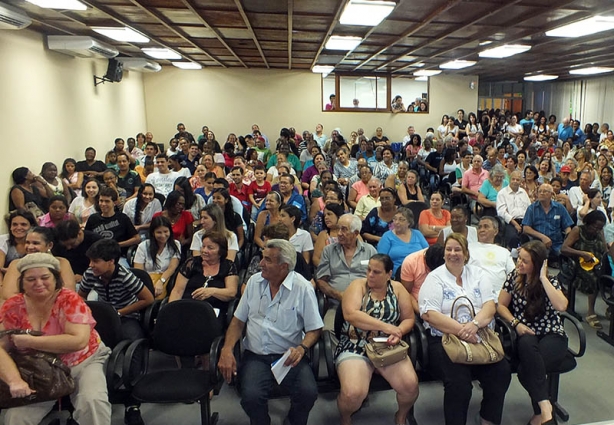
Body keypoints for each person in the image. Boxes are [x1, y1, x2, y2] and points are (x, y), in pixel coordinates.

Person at [218, 239, 323, 425]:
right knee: (250, 397)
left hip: (289, 356)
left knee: (308, 393)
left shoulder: (302, 288)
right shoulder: (253, 282)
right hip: (256, 355)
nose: (260, 264)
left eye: (267, 260)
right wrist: (226, 349)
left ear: (284, 266)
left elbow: (315, 328)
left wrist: (302, 348)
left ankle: (293, 420)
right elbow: (237, 321)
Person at [0, 253, 112, 425]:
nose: (38, 283)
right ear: (22, 282)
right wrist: (15, 380)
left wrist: (29, 341)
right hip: (38, 368)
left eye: (45, 277)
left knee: (92, 402)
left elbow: (78, 341)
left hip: (82, 361)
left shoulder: (69, 299)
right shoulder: (12, 306)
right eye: (30, 279)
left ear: (55, 278)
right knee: (15, 418)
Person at [419, 233, 511, 425]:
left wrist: (474, 325)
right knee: (459, 385)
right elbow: (429, 315)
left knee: (501, 372)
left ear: (466, 254)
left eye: (457, 249)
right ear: (444, 253)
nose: (453, 253)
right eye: (449, 249)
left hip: (480, 336)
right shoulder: (434, 278)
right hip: (444, 340)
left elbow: (490, 306)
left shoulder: (478, 274)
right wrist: (462, 331)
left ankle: (487, 418)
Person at [335, 254, 419, 425]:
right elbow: (351, 315)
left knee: (410, 387)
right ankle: (345, 418)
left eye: (376, 272)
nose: (370, 275)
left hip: (387, 346)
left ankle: (401, 416)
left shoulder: (397, 289)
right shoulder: (357, 286)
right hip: (355, 344)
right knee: (353, 393)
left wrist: (398, 332)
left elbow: (409, 319)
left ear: (389, 274)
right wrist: (387, 327)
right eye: (369, 270)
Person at [78, 238, 154, 425]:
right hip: (103, 317)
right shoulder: (90, 274)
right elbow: (80, 297)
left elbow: (148, 299)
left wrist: (119, 313)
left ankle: (133, 401)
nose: (91, 265)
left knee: (134, 345)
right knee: (85, 344)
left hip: (126, 316)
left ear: (111, 261)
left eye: (95, 261)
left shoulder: (125, 276)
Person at [497, 240, 569, 425]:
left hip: (552, 334)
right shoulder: (514, 276)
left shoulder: (550, 281)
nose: (519, 263)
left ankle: (542, 413)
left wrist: (544, 279)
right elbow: (501, 306)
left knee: (525, 370)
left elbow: (561, 306)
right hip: (525, 332)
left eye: (525, 261)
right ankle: (546, 411)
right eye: (519, 258)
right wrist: (515, 323)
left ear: (537, 264)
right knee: (528, 346)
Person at [170, 231, 238, 324]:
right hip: (187, 308)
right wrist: (171, 310)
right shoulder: (192, 263)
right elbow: (177, 291)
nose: (204, 250)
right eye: (203, 246)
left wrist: (212, 291)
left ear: (221, 251)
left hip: (212, 313)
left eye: (210, 248)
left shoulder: (228, 266)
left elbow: (231, 293)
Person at [1, 226, 76, 303]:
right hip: (23, 309)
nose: (30, 247)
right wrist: (34, 306)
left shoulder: (62, 263)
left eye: (35, 243)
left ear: (49, 245)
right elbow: (8, 295)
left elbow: (69, 293)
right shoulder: (16, 264)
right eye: (27, 242)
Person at [561, 210, 607, 329]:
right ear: (589, 223)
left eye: (600, 228)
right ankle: (590, 312)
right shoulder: (578, 230)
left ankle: (609, 307)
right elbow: (564, 248)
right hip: (578, 263)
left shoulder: (599, 232)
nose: (597, 230)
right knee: (594, 279)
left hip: (597, 262)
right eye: (595, 227)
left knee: (608, 277)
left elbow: (605, 249)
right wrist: (582, 253)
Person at [134, 216, 181, 299]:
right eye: (159, 232)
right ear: (153, 233)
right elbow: (139, 271)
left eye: (166, 231)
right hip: (147, 281)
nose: (163, 235)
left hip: (165, 279)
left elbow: (172, 268)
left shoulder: (176, 244)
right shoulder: (143, 246)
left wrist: (161, 281)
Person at [523, 184, 573, 258]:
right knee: (539, 255)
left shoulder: (559, 207)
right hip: (538, 243)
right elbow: (526, 228)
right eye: (539, 191)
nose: (542, 193)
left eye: (545, 191)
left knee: (566, 256)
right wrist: (543, 237)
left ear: (551, 194)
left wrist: (568, 240)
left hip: (557, 243)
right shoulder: (532, 208)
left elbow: (567, 227)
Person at [468, 217, 515, 295]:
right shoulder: (468, 248)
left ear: (495, 231)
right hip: (472, 294)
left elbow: (513, 275)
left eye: (486, 226)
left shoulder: (504, 252)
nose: (482, 230)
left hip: (499, 297)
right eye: (479, 227)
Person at [85, 187, 141, 251]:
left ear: (115, 203)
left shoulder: (123, 218)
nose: (103, 204)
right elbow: (86, 239)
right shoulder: (92, 218)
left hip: (118, 254)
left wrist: (117, 245)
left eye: (107, 201)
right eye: (101, 201)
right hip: (98, 255)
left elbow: (137, 238)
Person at [377, 208, 428, 275]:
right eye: (395, 219)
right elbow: (381, 259)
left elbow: (427, 252)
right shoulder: (387, 236)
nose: (396, 222)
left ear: (409, 222)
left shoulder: (417, 234)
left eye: (401, 219)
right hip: (397, 274)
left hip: (419, 272)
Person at [400, 244, 445, 313]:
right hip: (420, 303)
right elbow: (406, 292)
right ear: (424, 258)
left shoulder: (450, 260)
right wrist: (419, 311)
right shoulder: (411, 262)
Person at [497, 170, 531, 250]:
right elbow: (501, 212)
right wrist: (515, 224)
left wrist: (526, 222)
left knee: (528, 238)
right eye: (513, 179)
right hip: (510, 222)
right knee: (513, 238)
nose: (515, 181)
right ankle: (514, 256)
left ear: (521, 181)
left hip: (525, 221)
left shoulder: (523, 192)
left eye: (517, 180)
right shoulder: (502, 193)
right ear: (509, 180)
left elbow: (529, 209)